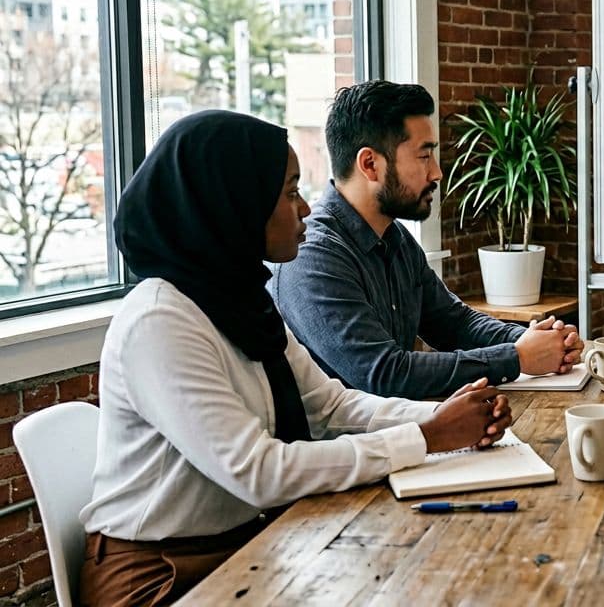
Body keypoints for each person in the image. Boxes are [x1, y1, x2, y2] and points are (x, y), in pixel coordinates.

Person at [79, 111, 511, 606]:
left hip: (251, 543)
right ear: (233, 206)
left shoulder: (239, 300)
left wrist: (442, 415)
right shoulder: (160, 321)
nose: (304, 207)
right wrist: (428, 436)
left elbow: (329, 407)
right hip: (160, 577)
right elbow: (261, 472)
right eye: (287, 193)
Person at [270, 81, 582, 399]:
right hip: (350, 445)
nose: (437, 173)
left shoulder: (394, 237)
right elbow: (385, 373)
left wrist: (536, 340)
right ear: (369, 165)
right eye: (424, 157)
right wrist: (517, 357)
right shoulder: (313, 255)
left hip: (402, 432)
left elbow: (453, 322)